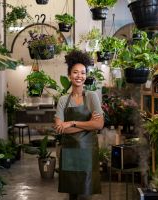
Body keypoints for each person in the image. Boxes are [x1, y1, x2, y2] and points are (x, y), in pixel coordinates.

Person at [54, 50, 104, 200]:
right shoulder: (63, 100)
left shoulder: (91, 96)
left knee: (86, 190)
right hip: (70, 151)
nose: (79, 76)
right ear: (69, 75)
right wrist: (88, 124)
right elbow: (60, 128)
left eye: (83, 73)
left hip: (87, 151)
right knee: (72, 193)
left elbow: (99, 124)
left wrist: (72, 123)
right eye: (75, 72)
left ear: (86, 76)